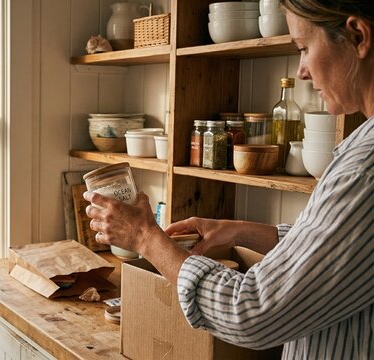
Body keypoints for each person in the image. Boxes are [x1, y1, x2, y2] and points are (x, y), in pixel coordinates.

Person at [83, 0, 373, 358]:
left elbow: (250, 312)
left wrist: (145, 237)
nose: (301, 71)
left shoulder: (364, 171)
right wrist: (243, 231)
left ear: (358, 36)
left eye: (304, 48)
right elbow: (339, 251)